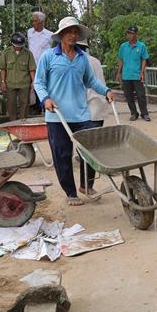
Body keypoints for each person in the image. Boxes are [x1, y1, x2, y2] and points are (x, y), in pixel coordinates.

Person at [34, 17, 113, 206]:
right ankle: (70, 192)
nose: (72, 35)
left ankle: (87, 185)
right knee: (62, 155)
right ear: (61, 34)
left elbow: (90, 81)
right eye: (69, 31)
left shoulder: (82, 58)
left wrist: (106, 91)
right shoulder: (49, 56)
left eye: (76, 32)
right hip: (57, 115)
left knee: (90, 151)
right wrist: (45, 99)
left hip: (81, 113)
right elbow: (39, 82)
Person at [76, 39, 109, 197]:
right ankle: (87, 184)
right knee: (89, 148)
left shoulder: (76, 62)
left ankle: (86, 186)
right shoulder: (95, 61)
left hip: (86, 109)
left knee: (86, 150)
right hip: (98, 108)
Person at [0, 32, 36, 121]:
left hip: (24, 83)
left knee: (25, 103)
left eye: (20, 45)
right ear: (12, 43)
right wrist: (3, 82)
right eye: (16, 45)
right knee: (11, 104)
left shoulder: (28, 53)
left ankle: (23, 122)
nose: (18, 47)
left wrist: (33, 82)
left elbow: (31, 69)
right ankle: (13, 122)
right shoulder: (6, 52)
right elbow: (3, 68)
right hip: (10, 83)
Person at [116, 26, 150, 121]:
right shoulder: (123, 46)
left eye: (131, 33)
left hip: (137, 75)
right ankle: (134, 113)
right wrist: (119, 73)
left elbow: (144, 59)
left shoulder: (141, 46)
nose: (129, 35)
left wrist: (142, 73)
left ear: (136, 34)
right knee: (128, 95)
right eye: (128, 33)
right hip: (126, 75)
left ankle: (144, 114)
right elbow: (121, 60)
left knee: (141, 95)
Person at [27, 11, 53, 113]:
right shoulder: (29, 32)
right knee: (34, 86)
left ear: (41, 22)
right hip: (32, 65)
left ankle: (46, 106)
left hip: (44, 65)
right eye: (33, 21)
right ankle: (37, 107)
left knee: (44, 85)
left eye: (35, 21)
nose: (33, 23)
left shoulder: (49, 35)